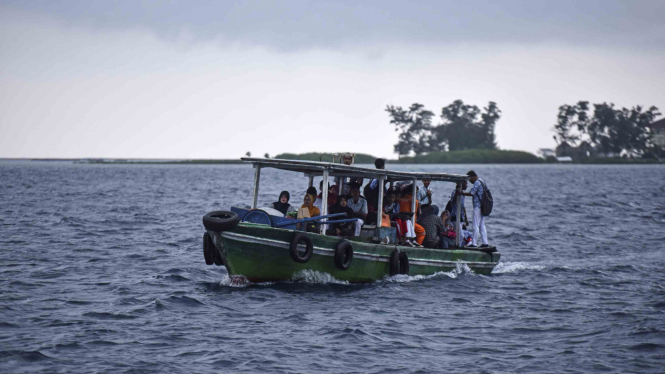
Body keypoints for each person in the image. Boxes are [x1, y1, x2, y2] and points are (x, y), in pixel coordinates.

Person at [462, 170, 489, 247]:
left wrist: (461, 193)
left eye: (470, 179)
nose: (470, 182)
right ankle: (485, 243)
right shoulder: (482, 181)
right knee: (482, 225)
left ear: (472, 177)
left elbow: (471, 193)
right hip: (484, 206)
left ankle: (474, 243)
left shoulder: (477, 182)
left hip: (478, 207)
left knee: (475, 225)